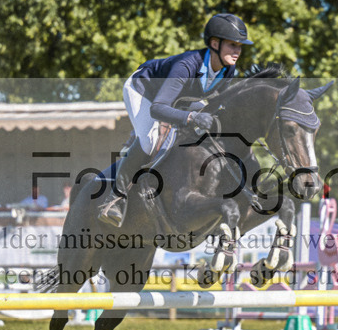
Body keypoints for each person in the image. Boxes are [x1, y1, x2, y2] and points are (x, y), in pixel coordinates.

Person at [97, 13, 254, 227]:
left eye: (240, 46)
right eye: (232, 45)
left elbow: (217, 105)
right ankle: (115, 197)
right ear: (215, 43)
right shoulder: (187, 66)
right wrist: (191, 117)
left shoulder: (228, 69)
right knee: (150, 140)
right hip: (145, 93)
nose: (237, 51)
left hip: (182, 99)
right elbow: (158, 108)